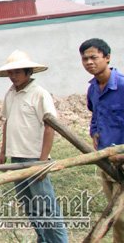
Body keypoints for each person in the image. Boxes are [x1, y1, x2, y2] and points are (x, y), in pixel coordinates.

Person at [0, 51, 68, 243]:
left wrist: (43, 160)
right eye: (11, 72)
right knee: (30, 206)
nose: (13, 76)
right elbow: (7, 123)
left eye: (17, 72)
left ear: (28, 72)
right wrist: (3, 152)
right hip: (16, 157)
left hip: (34, 158)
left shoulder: (39, 94)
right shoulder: (10, 93)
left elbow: (50, 127)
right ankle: (43, 239)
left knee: (46, 207)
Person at [81, 37, 124, 243]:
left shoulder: (122, 86)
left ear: (107, 58)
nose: (89, 62)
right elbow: (95, 115)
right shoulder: (93, 89)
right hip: (105, 160)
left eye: (93, 57)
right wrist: (95, 134)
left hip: (122, 158)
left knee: (121, 215)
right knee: (115, 215)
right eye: (85, 59)